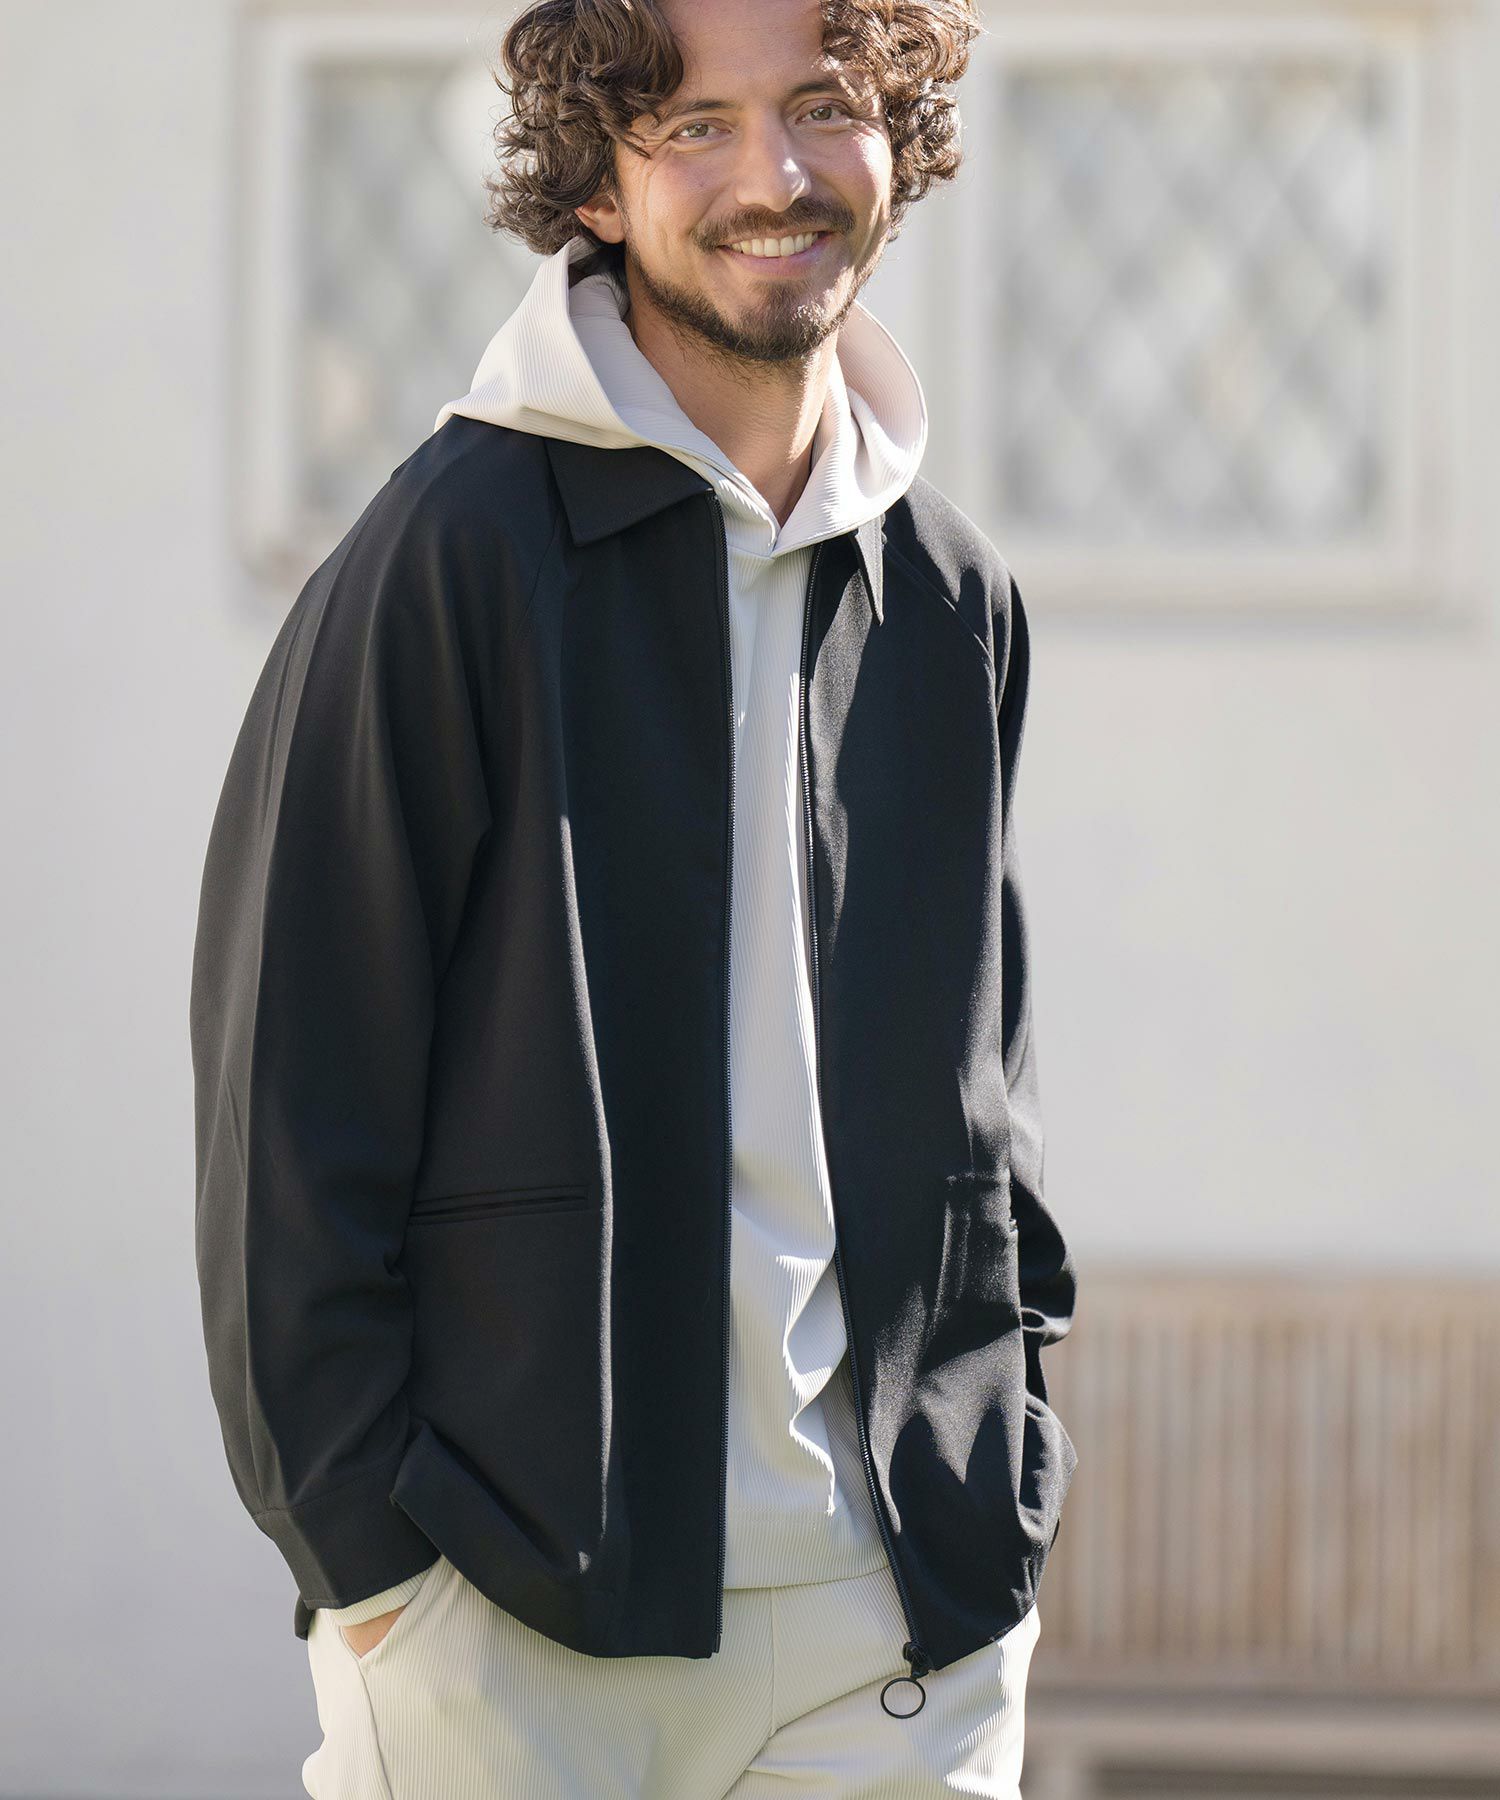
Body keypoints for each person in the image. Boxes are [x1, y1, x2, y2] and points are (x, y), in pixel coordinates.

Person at [189, 0, 1079, 1792]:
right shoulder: (447, 560)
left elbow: (987, 1100)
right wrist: (377, 1582)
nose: (775, 174)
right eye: (696, 125)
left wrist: (1007, 1478)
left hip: (893, 1639)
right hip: (510, 1641)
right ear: (596, 179)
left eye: (822, 104)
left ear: (897, 135)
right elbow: (289, 1112)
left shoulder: (949, 599)